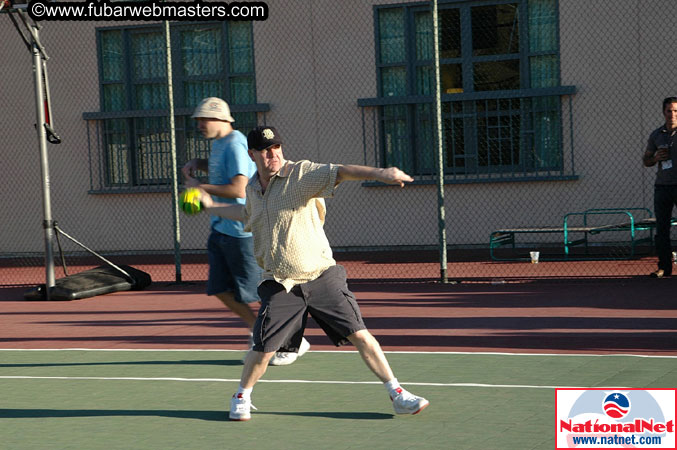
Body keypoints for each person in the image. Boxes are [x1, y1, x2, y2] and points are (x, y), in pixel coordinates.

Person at [198, 126, 430, 421]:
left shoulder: (301, 174)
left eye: (277, 147)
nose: (273, 154)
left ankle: (398, 394)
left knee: (361, 335)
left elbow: (342, 172)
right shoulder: (254, 190)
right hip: (280, 283)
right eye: (266, 150)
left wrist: (381, 173)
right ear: (252, 154)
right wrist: (212, 206)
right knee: (264, 348)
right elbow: (245, 216)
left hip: (321, 275)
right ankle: (241, 396)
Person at [182, 99, 309, 365]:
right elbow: (223, 171)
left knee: (265, 292)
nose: (200, 124)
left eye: (205, 119)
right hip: (220, 229)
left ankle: (292, 339)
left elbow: (239, 189)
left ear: (223, 120)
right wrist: (200, 163)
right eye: (198, 119)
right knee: (219, 289)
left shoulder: (236, 143)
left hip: (242, 230)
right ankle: (258, 331)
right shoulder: (219, 145)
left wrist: (200, 188)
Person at [643, 97, 677, 278]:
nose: (672, 115)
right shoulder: (656, 135)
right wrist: (655, 158)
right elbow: (646, 160)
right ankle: (664, 267)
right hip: (663, 187)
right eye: (669, 111)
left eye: (676, 111)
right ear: (663, 112)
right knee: (662, 229)